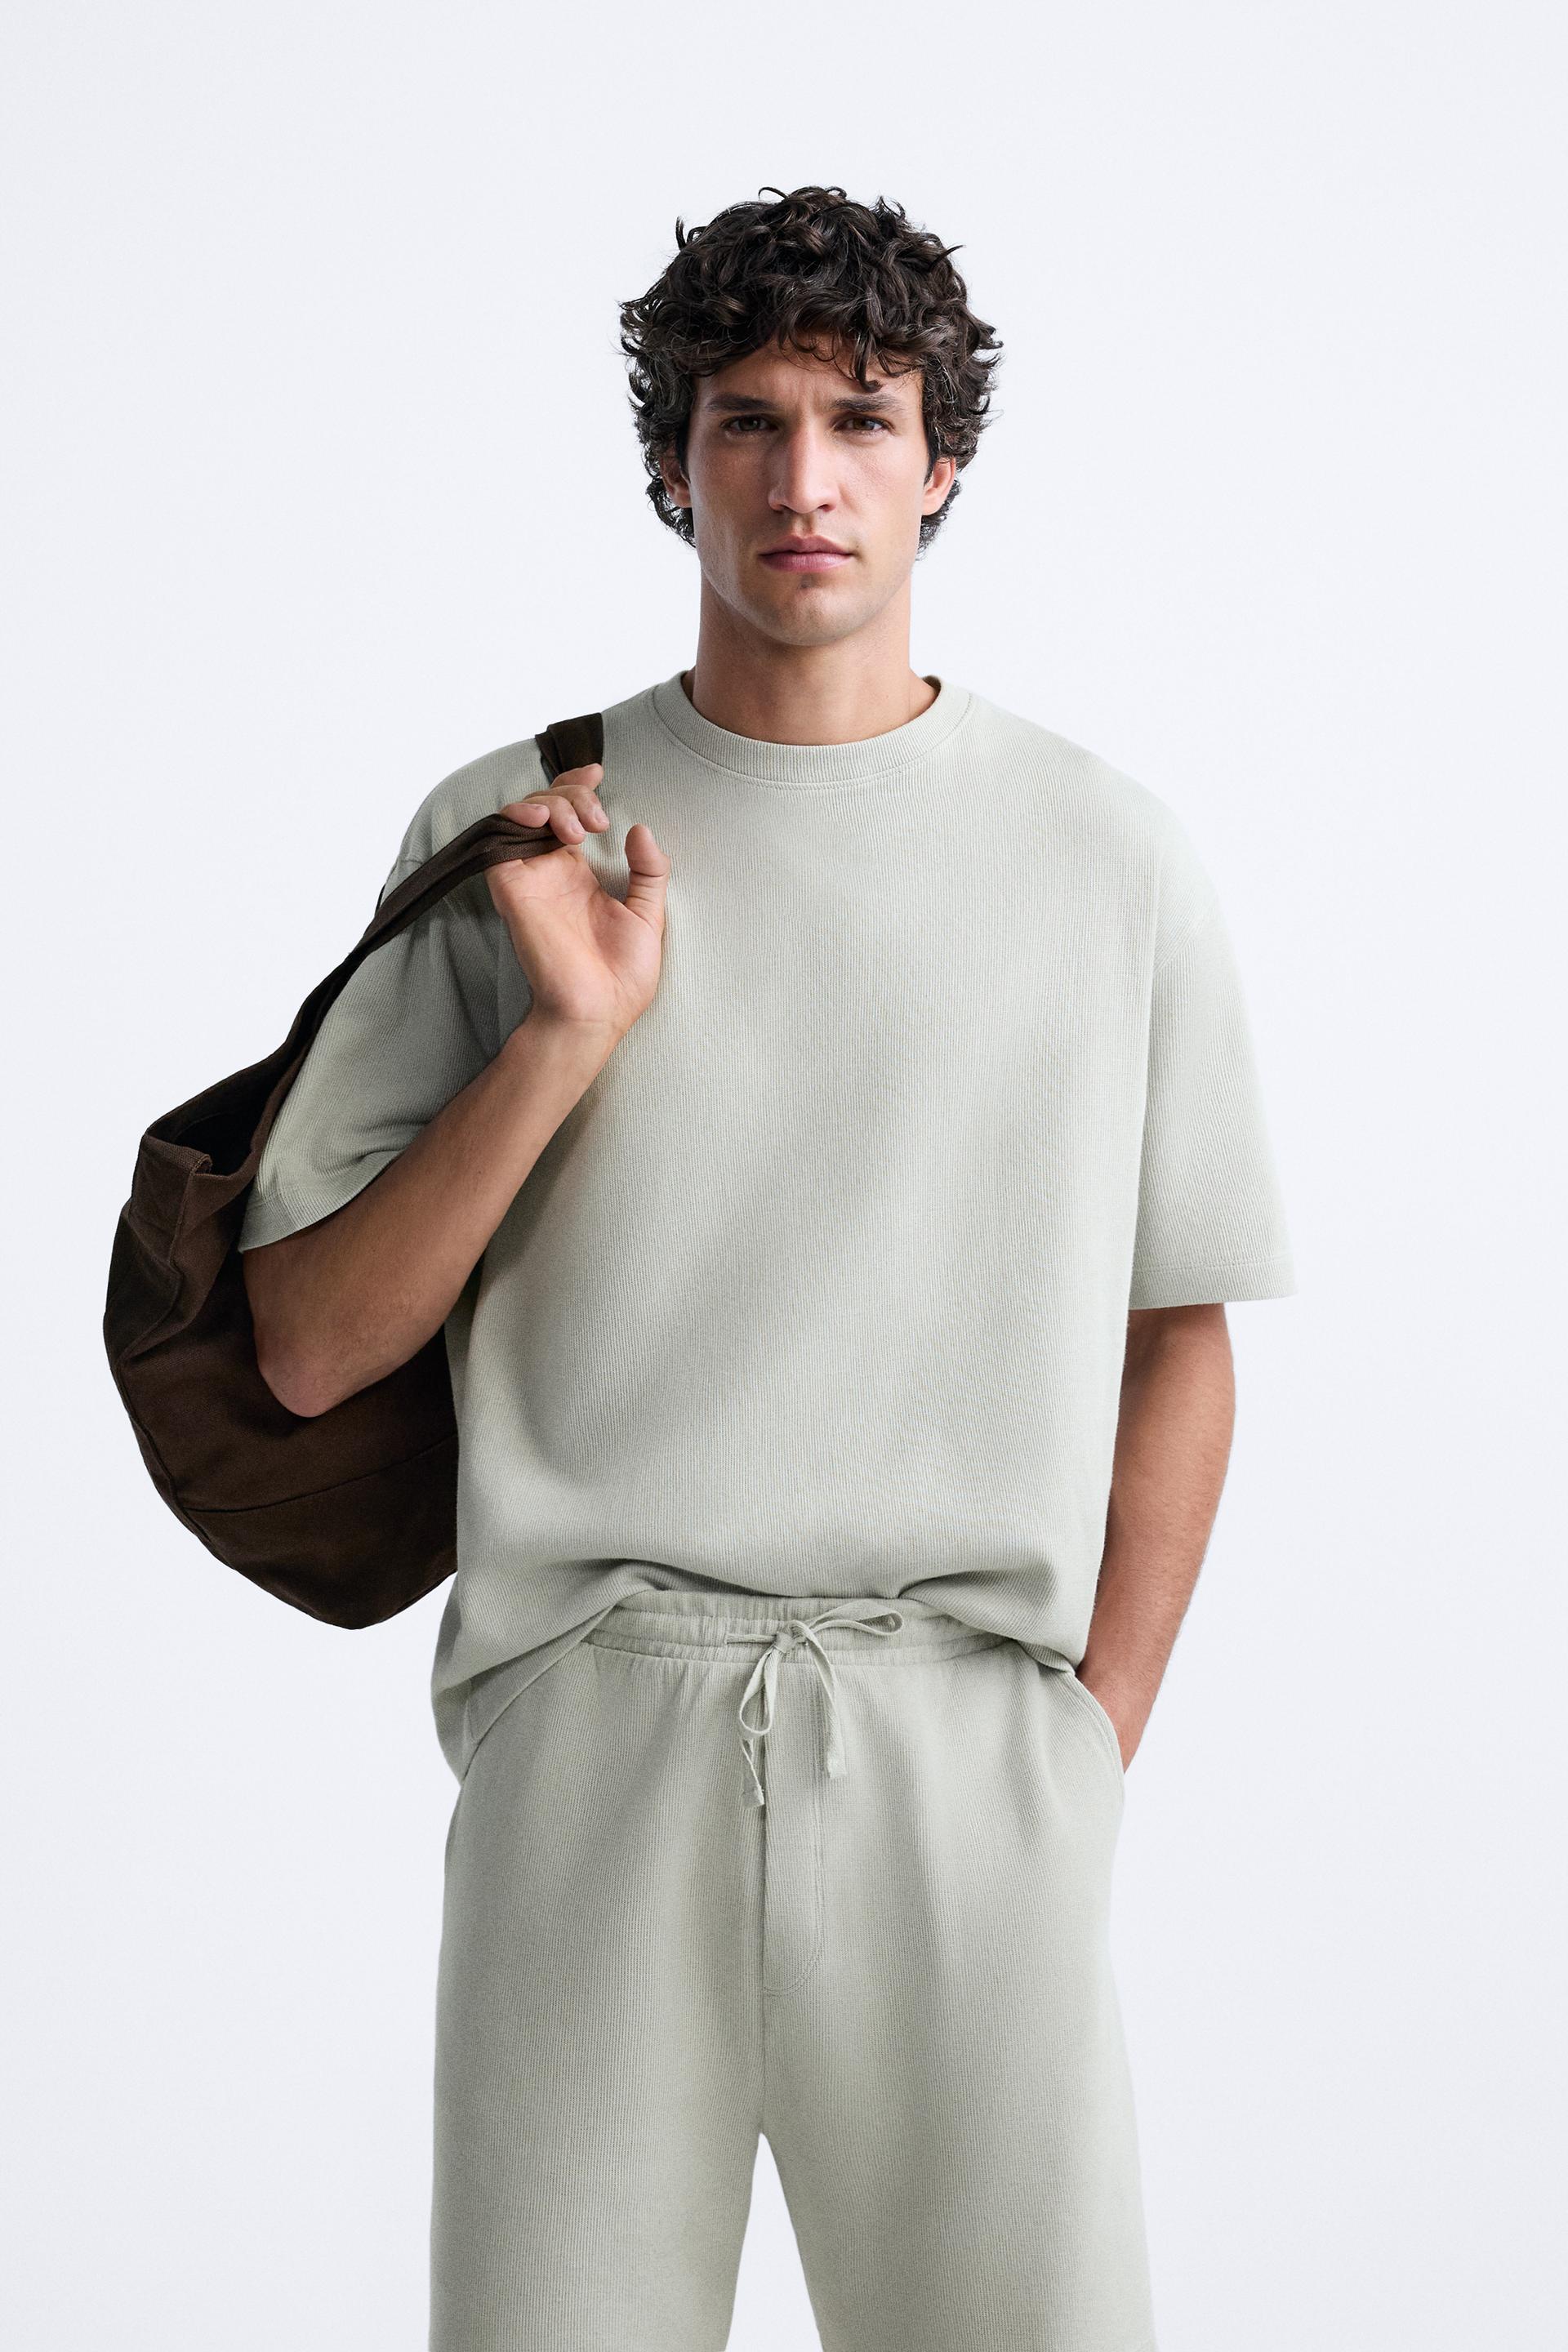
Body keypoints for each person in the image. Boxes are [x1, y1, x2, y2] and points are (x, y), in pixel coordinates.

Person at [239, 184, 1294, 2352]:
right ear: (673, 460)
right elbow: (313, 1348)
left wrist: (1083, 1752)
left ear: (941, 463)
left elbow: (1175, 1335)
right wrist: (568, 1034)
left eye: (860, 417)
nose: (804, 477)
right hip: (590, 1728)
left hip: (968, 1740)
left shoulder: (1107, 856)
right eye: (748, 420)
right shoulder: (520, 832)